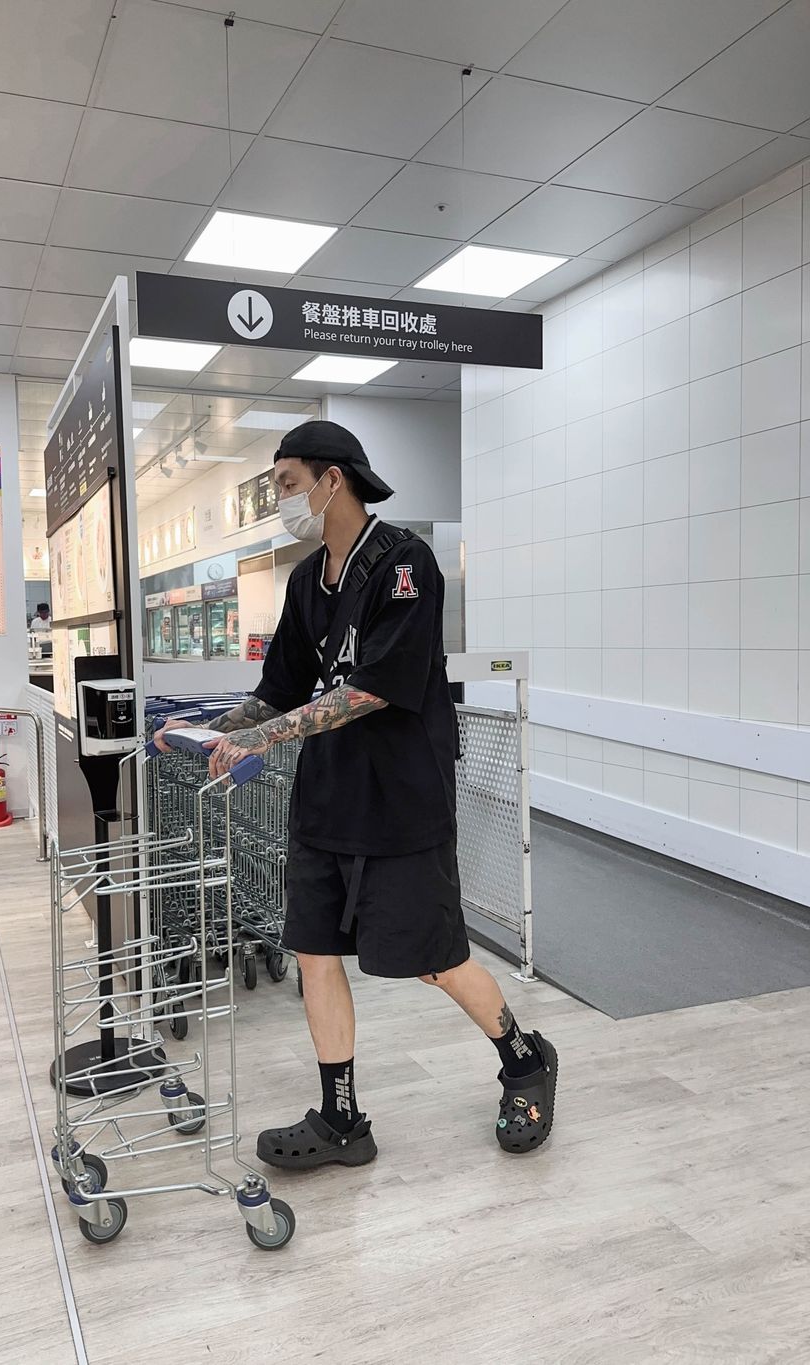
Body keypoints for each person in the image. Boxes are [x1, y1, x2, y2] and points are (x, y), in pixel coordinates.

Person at [155, 420, 558, 1171]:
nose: (281, 500)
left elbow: (374, 687)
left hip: (401, 800)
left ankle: (525, 1058)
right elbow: (279, 689)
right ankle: (342, 1120)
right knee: (314, 953)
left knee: (435, 960)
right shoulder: (306, 580)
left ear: (332, 479)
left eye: (286, 484)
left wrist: (264, 737)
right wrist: (212, 732)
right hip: (327, 799)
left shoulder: (405, 563)